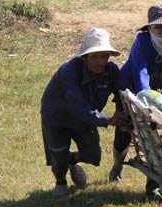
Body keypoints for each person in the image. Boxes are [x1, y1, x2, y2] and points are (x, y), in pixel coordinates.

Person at [40, 28, 126, 196]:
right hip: (58, 117)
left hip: (85, 119)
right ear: (84, 57)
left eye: (104, 56)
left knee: (93, 155)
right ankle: (61, 181)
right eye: (94, 56)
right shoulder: (68, 72)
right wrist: (108, 120)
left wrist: (124, 112)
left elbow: (124, 92)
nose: (100, 62)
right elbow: (77, 107)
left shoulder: (111, 71)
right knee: (58, 157)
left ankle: (71, 160)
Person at [116, 4, 162, 202]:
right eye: (158, 27)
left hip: (159, 91)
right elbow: (140, 72)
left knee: (155, 137)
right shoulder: (142, 42)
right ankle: (118, 163)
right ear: (150, 28)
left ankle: (152, 186)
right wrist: (144, 102)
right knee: (124, 131)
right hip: (131, 89)